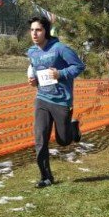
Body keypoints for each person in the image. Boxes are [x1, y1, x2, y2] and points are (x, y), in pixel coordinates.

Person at [27, 16, 84, 189]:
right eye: (32, 30)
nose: (34, 34)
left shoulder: (60, 49)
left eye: (38, 30)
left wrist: (60, 74)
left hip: (61, 100)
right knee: (40, 138)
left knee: (64, 141)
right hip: (42, 99)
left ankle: (73, 129)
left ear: (46, 31)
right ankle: (46, 177)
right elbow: (36, 69)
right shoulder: (32, 51)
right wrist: (34, 81)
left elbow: (79, 66)